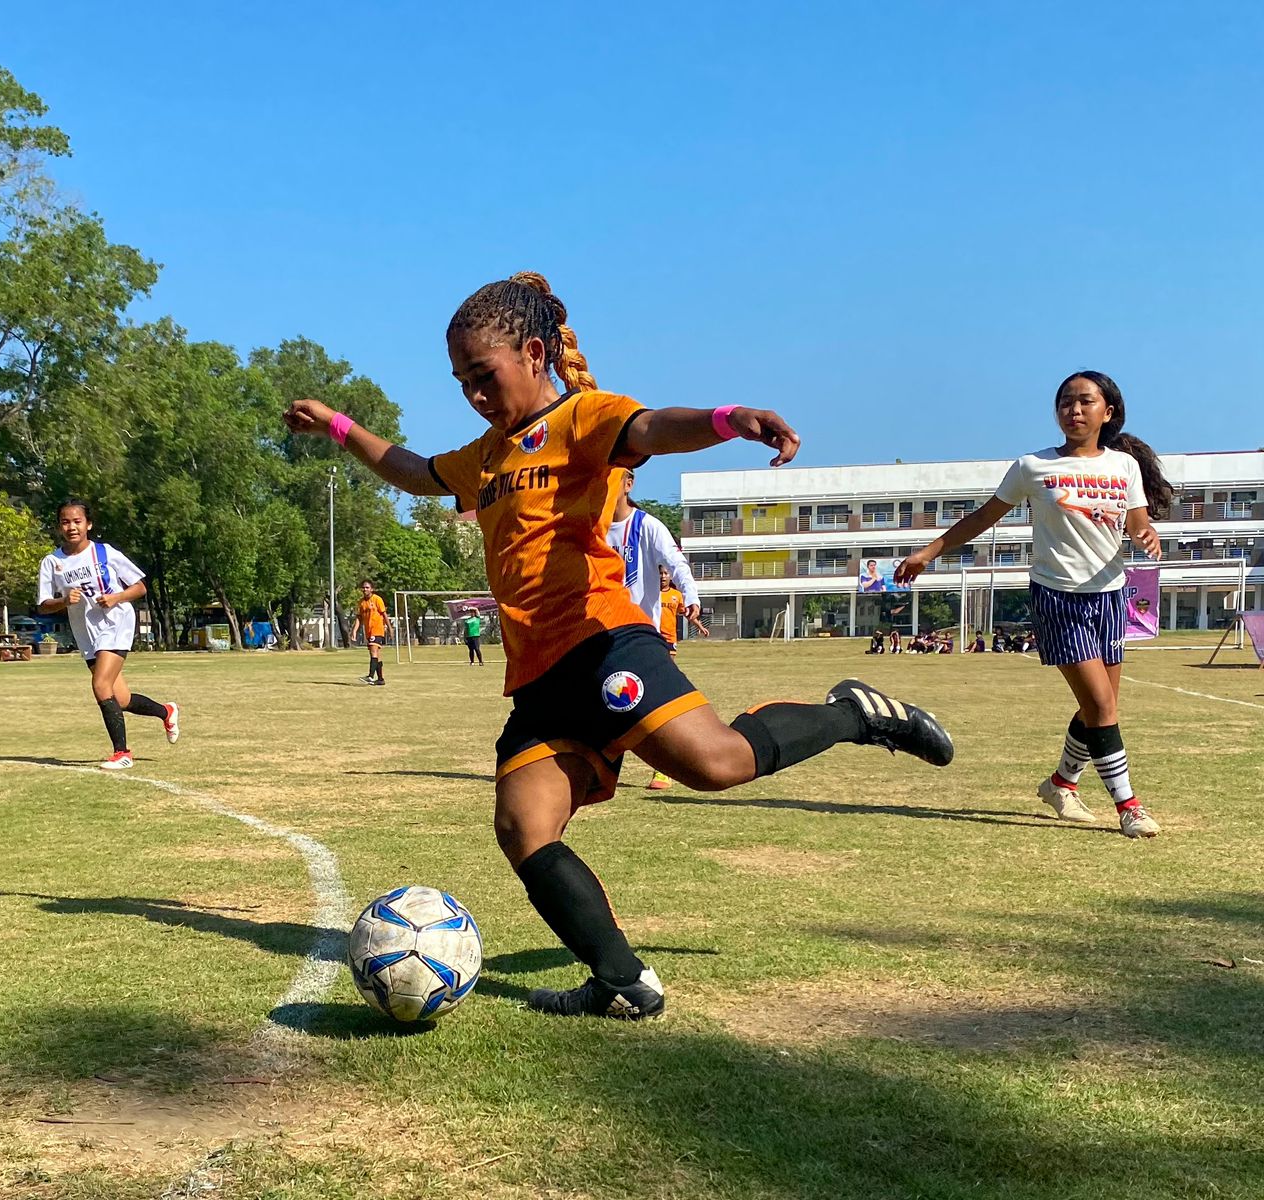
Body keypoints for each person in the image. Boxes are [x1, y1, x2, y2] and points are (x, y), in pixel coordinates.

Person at [284, 271, 954, 1020]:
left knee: (718, 765)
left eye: (484, 376)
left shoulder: (582, 417)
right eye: (462, 381)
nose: (474, 394)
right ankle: (621, 980)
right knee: (522, 827)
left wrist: (729, 419)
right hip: (538, 675)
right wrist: (340, 429)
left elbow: (653, 429)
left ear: (533, 353)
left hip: (605, 641)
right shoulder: (489, 453)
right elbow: (415, 472)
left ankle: (855, 713)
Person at [896, 370, 1168, 838]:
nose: (1074, 410)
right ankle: (1130, 807)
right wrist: (928, 552)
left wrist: (1145, 533)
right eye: (1065, 402)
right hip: (1058, 595)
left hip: (1109, 593)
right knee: (1101, 706)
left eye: (1085, 402)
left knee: (1100, 708)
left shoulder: (1124, 467)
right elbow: (983, 517)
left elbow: (1138, 517)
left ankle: (1061, 783)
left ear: (1109, 412)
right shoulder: (1032, 467)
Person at [37, 500, 178, 770]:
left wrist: (117, 598)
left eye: (77, 521)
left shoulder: (104, 553)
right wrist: (64, 600)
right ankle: (166, 711)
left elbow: (139, 587)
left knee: (100, 686)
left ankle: (122, 753)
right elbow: (43, 605)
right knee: (120, 698)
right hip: (86, 632)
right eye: (65, 522)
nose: (72, 527)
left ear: (88, 524)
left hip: (116, 623)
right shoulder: (52, 562)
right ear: (59, 527)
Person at [607, 468, 700, 631]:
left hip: (640, 631)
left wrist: (690, 595)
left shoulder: (648, 526)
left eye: (611, 479)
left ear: (628, 485)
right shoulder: (591, 528)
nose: (605, 486)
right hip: (602, 630)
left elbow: (677, 563)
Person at [646, 565, 688, 790]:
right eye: (658, 572)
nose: (662, 577)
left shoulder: (675, 595)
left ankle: (663, 770)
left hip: (667, 646)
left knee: (661, 699)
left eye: (665, 573)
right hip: (644, 644)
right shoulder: (641, 591)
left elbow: (684, 611)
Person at [354, 579, 390, 685]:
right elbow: (359, 618)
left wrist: (390, 627)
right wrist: (354, 631)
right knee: (376, 655)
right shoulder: (361, 602)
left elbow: (384, 615)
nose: (365, 589)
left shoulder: (377, 599)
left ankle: (370, 676)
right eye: (363, 587)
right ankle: (380, 679)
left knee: (373, 652)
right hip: (368, 631)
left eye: (367, 587)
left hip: (377, 629)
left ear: (372, 589)